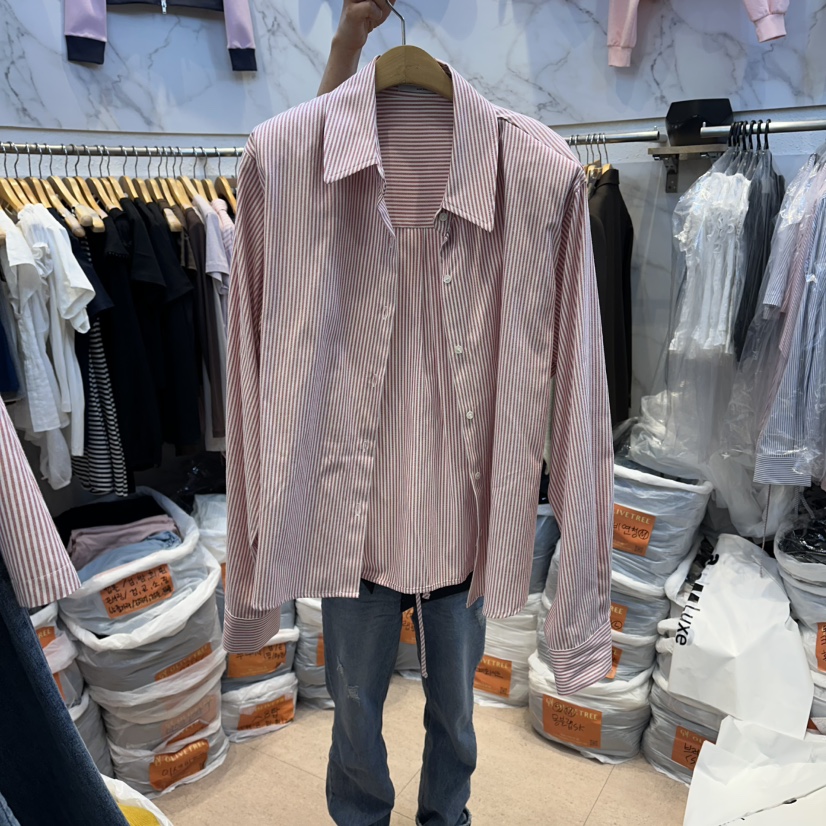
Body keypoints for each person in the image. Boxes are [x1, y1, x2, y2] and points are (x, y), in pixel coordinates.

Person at [317, 4, 484, 826]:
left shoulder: (493, 199)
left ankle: (444, 820)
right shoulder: (336, 207)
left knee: (456, 712)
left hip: (459, 507)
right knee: (353, 706)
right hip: (359, 511)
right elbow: (309, 158)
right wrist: (349, 40)